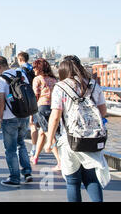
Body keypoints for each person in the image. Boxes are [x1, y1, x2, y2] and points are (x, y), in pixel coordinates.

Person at [45, 55, 110, 202]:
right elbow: (103, 111)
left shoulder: (60, 87)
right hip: (92, 138)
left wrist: (49, 141)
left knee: (73, 181)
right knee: (91, 178)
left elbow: (55, 116)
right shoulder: (93, 85)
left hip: (70, 139)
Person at [0, 56, 32, 187]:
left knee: (10, 149)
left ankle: (15, 178)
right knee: (21, 144)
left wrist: (0, 117)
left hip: (10, 118)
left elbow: (1, 100)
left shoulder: (1, 79)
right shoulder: (22, 74)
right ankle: (27, 172)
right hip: (24, 115)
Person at [31, 58, 61, 170]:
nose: (33, 69)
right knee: (42, 132)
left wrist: (31, 113)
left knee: (49, 133)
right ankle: (36, 157)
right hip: (53, 107)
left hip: (41, 107)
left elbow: (35, 96)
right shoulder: (54, 79)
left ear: (39, 68)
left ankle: (59, 161)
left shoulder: (37, 79)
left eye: (35, 67)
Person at [17, 51, 37, 158]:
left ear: (20, 59)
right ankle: (34, 148)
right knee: (34, 124)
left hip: (25, 99)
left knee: (23, 123)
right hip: (36, 98)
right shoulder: (33, 68)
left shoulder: (19, 70)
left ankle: (20, 146)